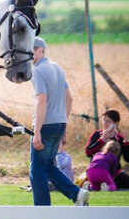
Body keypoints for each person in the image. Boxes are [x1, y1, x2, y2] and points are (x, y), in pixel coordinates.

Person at [29, 37, 90, 206]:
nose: (30, 53)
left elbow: (41, 102)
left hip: (45, 125)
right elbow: (69, 98)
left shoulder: (37, 71)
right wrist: (63, 122)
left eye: (32, 50)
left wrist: (36, 132)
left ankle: (42, 211)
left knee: (36, 172)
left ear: (41, 50)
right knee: (48, 166)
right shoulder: (57, 67)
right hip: (59, 123)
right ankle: (77, 194)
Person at [85, 109, 129, 190]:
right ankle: (102, 185)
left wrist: (127, 142)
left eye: (108, 121)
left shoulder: (120, 138)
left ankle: (101, 186)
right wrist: (102, 140)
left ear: (115, 123)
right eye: (103, 120)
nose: (104, 123)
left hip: (114, 174)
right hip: (98, 170)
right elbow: (88, 152)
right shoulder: (96, 135)